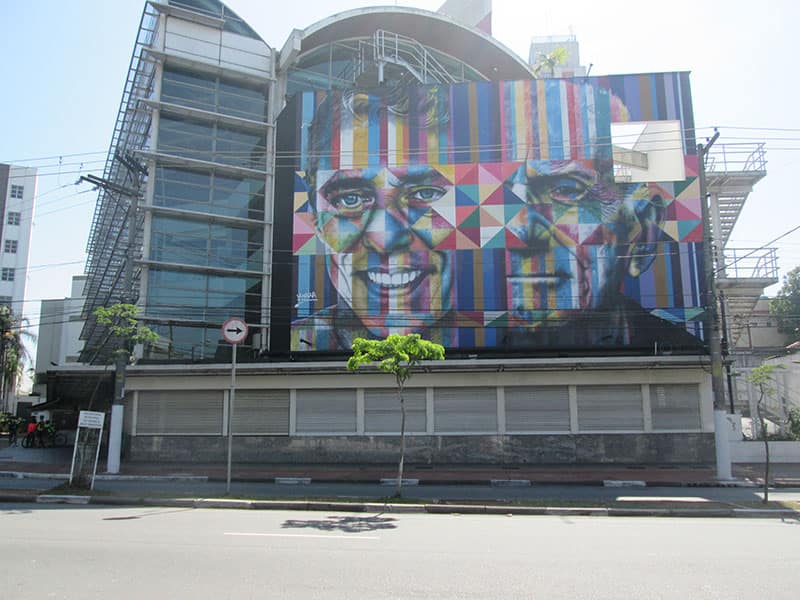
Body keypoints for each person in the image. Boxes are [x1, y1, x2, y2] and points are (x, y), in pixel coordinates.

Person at [293, 86, 458, 350]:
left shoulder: (513, 333)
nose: (385, 240)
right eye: (350, 199)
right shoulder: (298, 341)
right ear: (315, 217)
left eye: (425, 193)